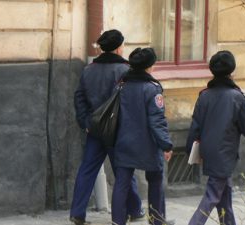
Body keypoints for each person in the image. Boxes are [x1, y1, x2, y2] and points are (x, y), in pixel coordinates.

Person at [70, 29, 144, 225]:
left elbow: (79, 98)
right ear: (119, 48)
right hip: (118, 130)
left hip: (94, 130)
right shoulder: (126, 71)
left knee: (87, 170)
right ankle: (135, 209)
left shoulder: (89, 69)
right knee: (125, 170)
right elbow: (129, 102)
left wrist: (85, 122)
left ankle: (77, 213)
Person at [185, 50, 245, 225]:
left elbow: (195, 125)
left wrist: (189, 149)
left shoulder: (204, 95)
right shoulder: (236, 97)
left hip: (208, 151)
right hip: (225, 153)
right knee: (212, 196)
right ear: (231, 71)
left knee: (224, 196)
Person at [111, 47, 174, 225]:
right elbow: (157, 121)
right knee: (155, 181)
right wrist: (166, 145)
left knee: (122, 183)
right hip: (148, 145)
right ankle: (157, 220)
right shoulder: (152, 89)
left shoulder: (121, 86)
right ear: (149, 66)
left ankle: (117, 221)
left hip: (123, 142)